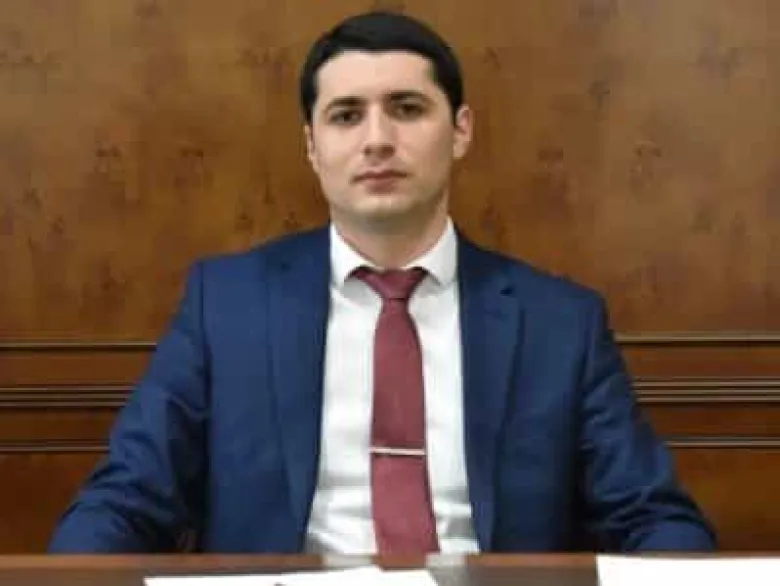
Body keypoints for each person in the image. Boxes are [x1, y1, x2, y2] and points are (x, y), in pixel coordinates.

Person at [49, 10, 716, 554]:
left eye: (406, 108)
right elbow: (127, 500)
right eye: (346, 115)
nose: (377, 139)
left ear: (460, 130)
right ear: (312, 147)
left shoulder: (560, 323)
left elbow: (652, 516)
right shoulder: (226, 305)